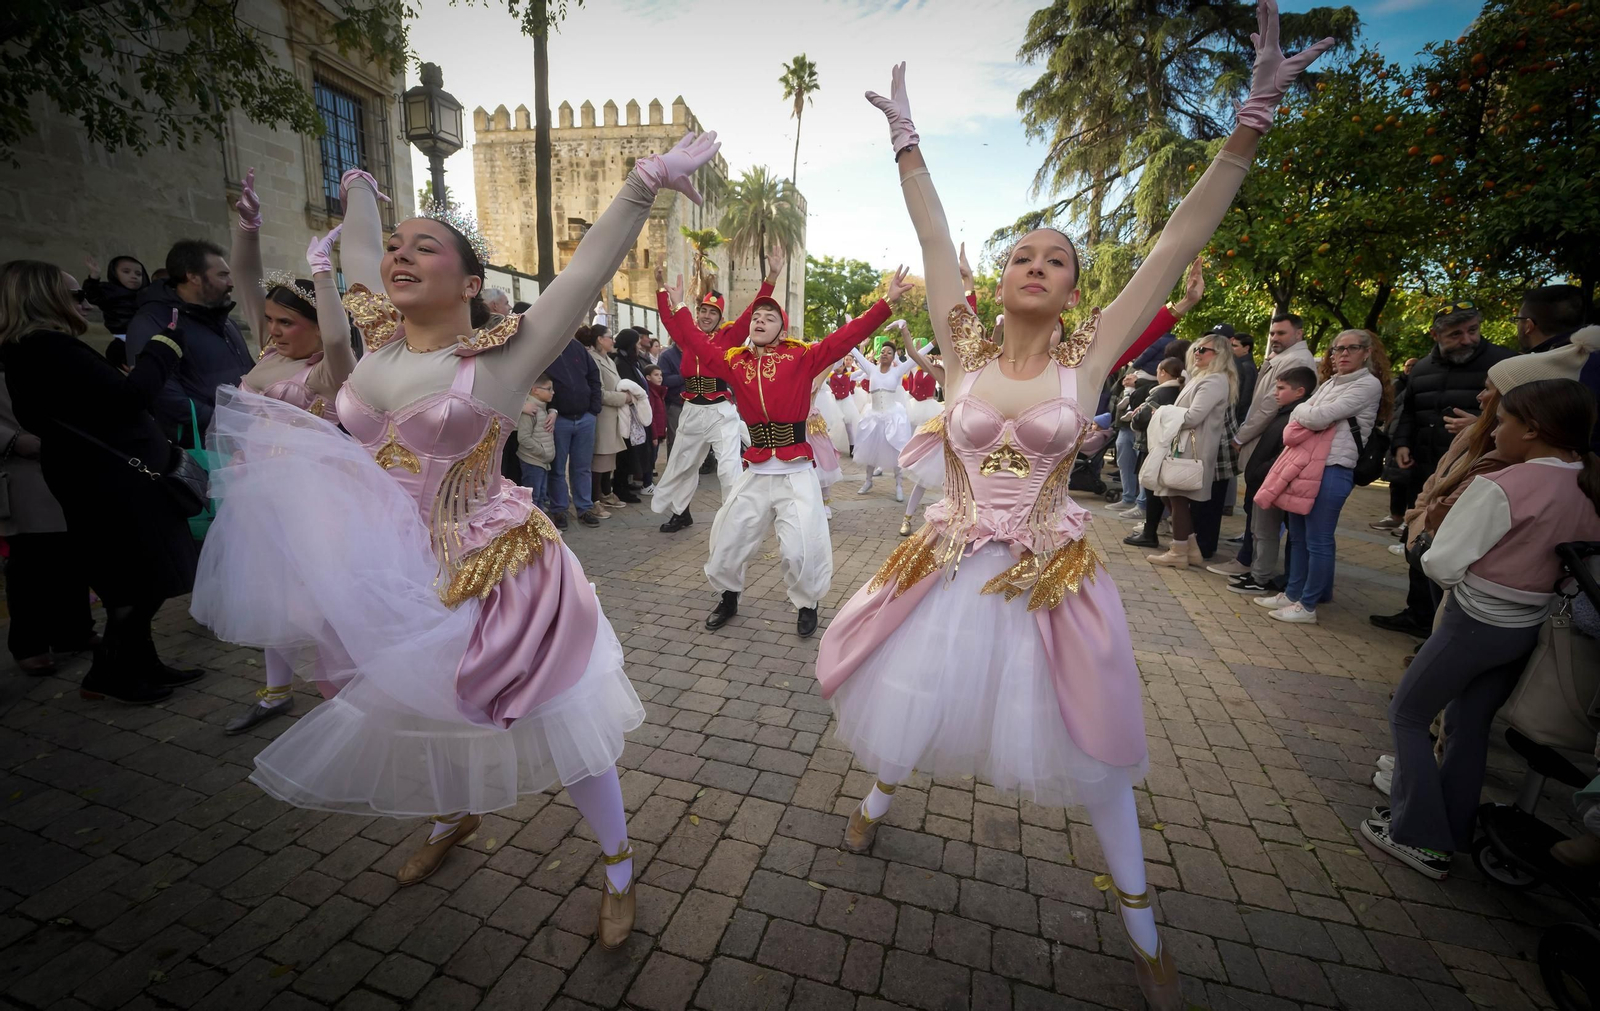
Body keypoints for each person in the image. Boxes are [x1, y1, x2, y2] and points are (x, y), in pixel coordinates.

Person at [820, 27, 1330, 1007]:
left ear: (1073, 290)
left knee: (1096, 750)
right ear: (1002, 276)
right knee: (914, 697)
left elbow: (1177, 240)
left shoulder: (1086, 362)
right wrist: (907, 143)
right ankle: (877, 798)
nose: (1036, 263)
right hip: (946, 569)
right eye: (1022, 253)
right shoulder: (961, 352)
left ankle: (1143, 929)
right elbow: (933, 241)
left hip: (1050, 578)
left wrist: (1252, 118)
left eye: (1056, 259)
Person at [190, 133, 721, 948]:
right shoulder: (372, 343)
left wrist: (644, 182)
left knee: (563, 719)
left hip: (493, 568)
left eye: (425, 246)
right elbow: (348, 255)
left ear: (471, 283)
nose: (400, 255)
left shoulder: (503, 357)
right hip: (383, 566)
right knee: (415, 708)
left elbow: (582, 277)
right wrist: (355, 186)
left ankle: (618, 863)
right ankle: (452, 816)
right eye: (396, 246)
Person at [1365, 378, 1600, 879]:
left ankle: (1421, 837)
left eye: (1503, 421)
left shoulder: (1504, 484)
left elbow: (1442, 562)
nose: (1493, 432)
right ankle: (1450, 830)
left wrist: (1432, 543)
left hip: (1475, 621)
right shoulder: (1587, 482)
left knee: (1408, 714)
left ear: (1532, 429)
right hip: (1529, 626)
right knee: (1467, 724)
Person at [197, 169, 358, 735]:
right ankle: (275, 691)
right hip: (257, 493)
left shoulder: (330, 370)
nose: (275, 329)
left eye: (288, 321)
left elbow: (337, 336)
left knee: (319, 599)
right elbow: (246, 278)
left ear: (316, 325)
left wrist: (323, 274)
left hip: (314, 499)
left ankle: (351, 698)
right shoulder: (270, 352)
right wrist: (248, 226)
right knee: (271, 591)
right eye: (270, 320)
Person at [663, 270, 907, 637]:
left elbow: (846, 336)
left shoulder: (802, 356)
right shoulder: (735, 361)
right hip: (757, 470)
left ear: (783, 329)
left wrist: (885, 303)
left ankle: (807, 603)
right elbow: (696, 342)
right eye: (756, 317)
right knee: (729, 539)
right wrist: (680, 305)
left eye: (769, 317)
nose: (760, 321)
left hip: (795, 470)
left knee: (800, 548)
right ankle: (729, 596)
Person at [1, 260, 201, 703]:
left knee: (135, 581)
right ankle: (113, 674)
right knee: (135, 582)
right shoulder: (47, 347)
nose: (86, 303)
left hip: (103, 479)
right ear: (44, 299)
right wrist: (164, 347)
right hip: (113, 484)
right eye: (75, 295)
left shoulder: (32, 350)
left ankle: (139, 663)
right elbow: (129, 399)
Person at [1372, 301, 1516, 636]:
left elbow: (1521, 415)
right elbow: (1408, 412)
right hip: (1426, 469)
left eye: (1472, 330)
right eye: (1456, 334)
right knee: (1417, 538)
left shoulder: (1503, 365)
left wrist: (1481, 424)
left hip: (1473, 474)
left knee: (1452, 549)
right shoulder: (1422, 368)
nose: (1467, 339)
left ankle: (1444, 628)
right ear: (1436, 335)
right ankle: (1418, 613)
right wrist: (1402, 444)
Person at [1252, 329, 1390, 623]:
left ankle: (1308, 605)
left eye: (1351, 348)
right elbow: (1304, 413)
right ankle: (1293, 593)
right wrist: (1307, 412)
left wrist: (1306, 411)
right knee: (1299, 537)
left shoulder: (1368, 384)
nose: (1342, 354)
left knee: (1318, 540)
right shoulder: (1330, 383)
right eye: (1337, 349)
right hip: (1306, 467)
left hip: (1334, 468)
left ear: (1366, 352)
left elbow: (1315, 416)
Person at [652, 257, 781, 533]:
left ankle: (734, 521)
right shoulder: (687, 336)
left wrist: (771, 277)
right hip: (691, 410)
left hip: (720, 411)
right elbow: (667, 318)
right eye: (703, 311)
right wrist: (661, 288)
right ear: (697, 313)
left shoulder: (729, 337)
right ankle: (681, 514)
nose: (707, 316)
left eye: (713, 312)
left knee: (728, 467)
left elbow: (752, 310)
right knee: (682, 465)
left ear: (720, 318)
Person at [1, 353, 95, 674]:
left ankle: (73, 630)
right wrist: (12, 440)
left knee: (71, 552)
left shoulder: (35, 352)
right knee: (31, 562)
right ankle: (29, 644)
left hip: (59, 460)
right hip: (19, 467)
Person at [1207, 311, 1315, 571]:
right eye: (1272, 333)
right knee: (1255, 507)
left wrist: (1240, 436)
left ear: (1299, 334)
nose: (1275, 338)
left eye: (1281, 333)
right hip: (1265, 438)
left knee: (1260, 509)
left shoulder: (1296, 360)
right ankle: (1249, 561)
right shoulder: (1283, 358)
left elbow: (1269, 406)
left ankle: (1250, 564)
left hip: (1270, 440)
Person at [125, 237, 255, 438]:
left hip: (245, 433)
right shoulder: (152, 321)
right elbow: (164, 395)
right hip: (201, 443)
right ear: (193, 277)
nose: (231, 283)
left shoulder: (226, 321)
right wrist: (227, 423)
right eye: (222, 275)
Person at [1146, 333, 1238, 568]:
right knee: (1170, 494)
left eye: (1204, 350)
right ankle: (1191, 548)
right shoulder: (1205, 377)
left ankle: (1179, 551)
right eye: (1197, 348)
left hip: (1192, 448)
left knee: (1177, 498)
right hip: (1185, 445)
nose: (1197, 352)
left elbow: (1193, 416)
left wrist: (1163, 412)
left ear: (1219, 355)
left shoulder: (1214, 380)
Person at [1225, 365, 1315, 596]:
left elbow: (1285, 454)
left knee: (1266, 531)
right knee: (1258, 530)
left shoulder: (1296, 417)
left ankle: (1260, 577)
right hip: (1264, 480)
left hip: (1272, 482)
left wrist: (1262, 471)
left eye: (1282, 388)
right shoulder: (1283, 413)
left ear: (1299, 391)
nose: (1276, 393)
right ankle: (1257, 571)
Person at [852, 323, 924, 500]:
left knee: (896, 451)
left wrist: (934, 342)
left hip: (893, 417)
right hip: (873, 417)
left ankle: (899, 485)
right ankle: (868, 481)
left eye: (889, 352)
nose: (885, 354)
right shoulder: (871, 369)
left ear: (894, 357)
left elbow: (916, 357)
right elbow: (855, 353)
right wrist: (851, 327)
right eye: (883, 351)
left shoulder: (897, 371)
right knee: (870, 451)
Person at [1124, 357, 1186, 548]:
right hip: (1169, 445)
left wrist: (1135, 416)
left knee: (1152, 489)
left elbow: (1141, 419)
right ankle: (1154, 528)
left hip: (1151, 445)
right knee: (1161, 491)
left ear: (1163, 373)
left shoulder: (1159, 393)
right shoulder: (1180, 391)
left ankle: (1150, 531)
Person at [546, 327, 604, 529]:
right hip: (558, 419)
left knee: (582, 467)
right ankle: (559, 509)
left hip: (585, 418)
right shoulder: (545, 349)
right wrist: (551, 409)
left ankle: (584, 508)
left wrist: (594, 409)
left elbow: (594, 376)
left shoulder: (576, 347)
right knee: (557, 468)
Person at [581, 324, 632, 508]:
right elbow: (599, 393)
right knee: (600, 458)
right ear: (600, 339)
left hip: (612, 416)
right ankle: (595, 498)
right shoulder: (593, 359)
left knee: (609, 458)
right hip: (602, 416)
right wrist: (624, 398)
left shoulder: (608, 359)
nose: (613, 341)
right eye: (610, 337)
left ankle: (605, 492)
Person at [610, 328, 652, 502]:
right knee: (625, 453)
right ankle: (620, 488)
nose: (639, 346)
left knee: (632, 451)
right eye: (636, 343)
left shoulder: (631, 361)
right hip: (626, 414)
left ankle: (626, 483)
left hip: (634, 413)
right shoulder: (621, 363)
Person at [82, 254, 149, 337]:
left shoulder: (146, 294)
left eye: (138, 274)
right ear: (114, 274)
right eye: (126, 272)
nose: (134, 276)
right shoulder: (109, 291)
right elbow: (91, 295)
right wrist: (94, 277)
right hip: (122, 334)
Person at [516, 374, 557, 509]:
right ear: (535, 390)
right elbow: (523, 438)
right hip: (533, 460)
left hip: (542, 461)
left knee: (540, 497)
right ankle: (531, 523)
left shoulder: (542, 408)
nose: (552, 392)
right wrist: (542, 452)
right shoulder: (530, 410)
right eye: (549, 389)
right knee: (533, 499)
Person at [643, 364, 668, 492]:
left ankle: (649, 482)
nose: (660, 378)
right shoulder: (651, 393)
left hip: (658, 432)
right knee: (650, 458)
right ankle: (646, 484)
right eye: (656, 375)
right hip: (653, 433)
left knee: (653, 457)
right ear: (648, 377)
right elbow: (651, 416)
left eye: (661, 375)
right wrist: (654, 436)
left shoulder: (658, 391)